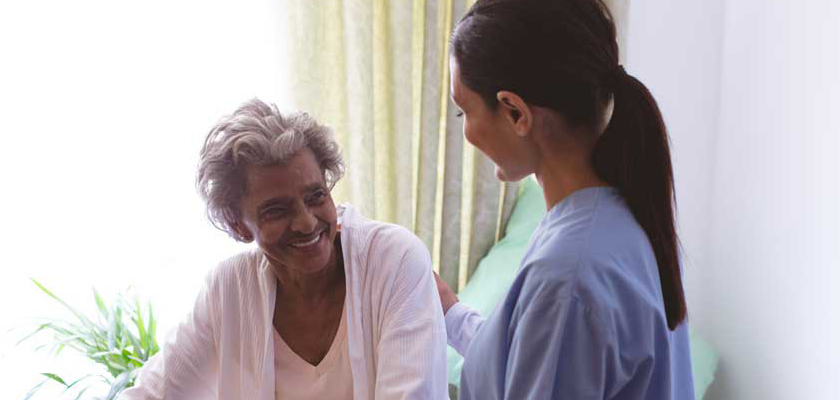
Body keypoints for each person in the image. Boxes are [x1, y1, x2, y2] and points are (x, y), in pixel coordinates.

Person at [434, 0, 695, 398]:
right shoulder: (618, 221)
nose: (467, 134)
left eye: (463, 112)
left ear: (515, 113)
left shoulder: (567, 274)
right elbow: (533, 361)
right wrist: (451, 312)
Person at [121, 99, 448, 400]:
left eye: (316, 196)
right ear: (237, 225)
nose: (306, 223)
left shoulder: (394, 259)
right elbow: (153, 393)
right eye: (276, 210)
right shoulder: (229, 289)